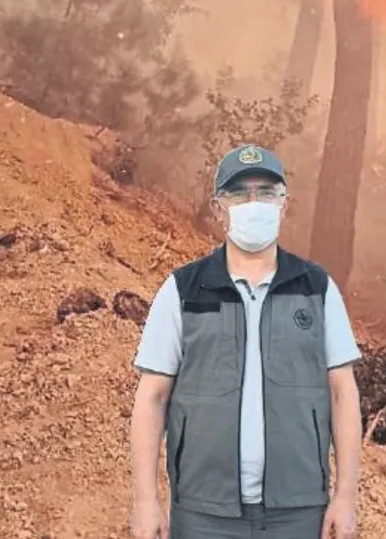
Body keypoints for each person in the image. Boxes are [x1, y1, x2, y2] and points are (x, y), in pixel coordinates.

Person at [128, 144, 362, 539]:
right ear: (218, 208)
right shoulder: (183, 290)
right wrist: (146, 500)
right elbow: (152, 396)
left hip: (298, 513)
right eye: (239, 193)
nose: (254, 204)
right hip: (203, 514)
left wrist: (346, 496)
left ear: (285, 204)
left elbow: (343, 393)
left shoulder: (316, 288)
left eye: (266, 193)